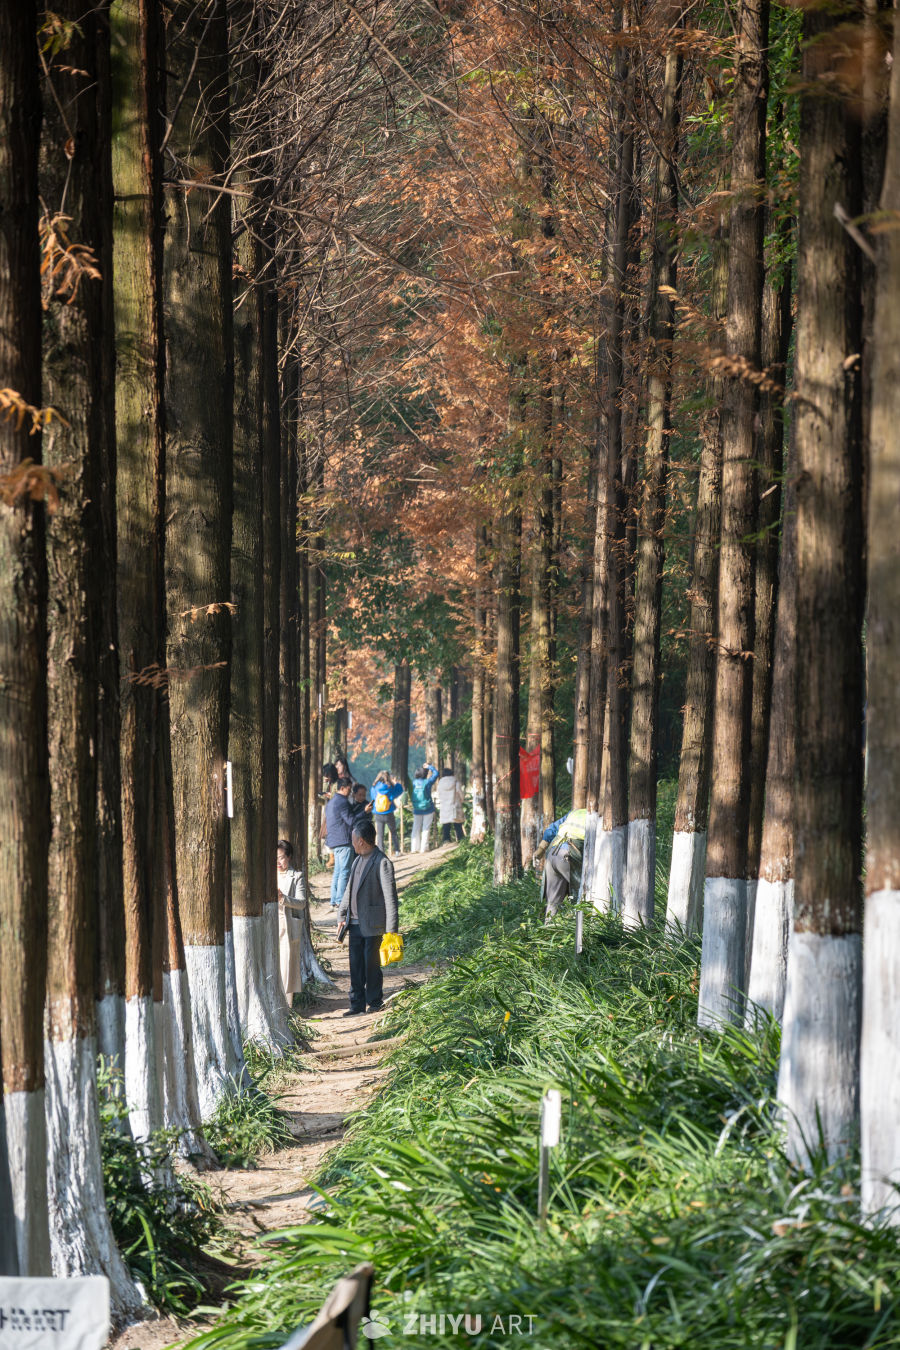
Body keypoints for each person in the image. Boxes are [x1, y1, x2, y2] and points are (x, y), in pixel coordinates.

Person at [337, 818, 400, 1016]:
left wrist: (391, 931)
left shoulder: (382, 862)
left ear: (362, 841)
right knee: (355, 966)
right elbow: (349, 889)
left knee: (371, 966)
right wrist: (342, 914)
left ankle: (374, 1002)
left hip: (374, 926)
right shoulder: (357, 860)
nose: (352, 842)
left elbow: (391, 900)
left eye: (354, 839)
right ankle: (356, 1004)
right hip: (354, 924)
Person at [532, 808, 588, 923]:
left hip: (553, 853)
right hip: (569, 855)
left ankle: (547, 932)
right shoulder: (600, 817)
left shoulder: (575, 812)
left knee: (552, 902)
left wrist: (541, 849)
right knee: (583, 896)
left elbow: (551, 829)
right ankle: (582, 934)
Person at [276, 839, 305, 1002]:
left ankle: (288, 1007)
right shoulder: (267, 875)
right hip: (270, 925)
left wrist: (284, 898)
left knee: (287, 967)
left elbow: (301, 903)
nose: (278, 862)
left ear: (289, 857)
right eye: (275, 858)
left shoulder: (297, 877)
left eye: (281, 858)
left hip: (287, 926)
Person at [325, 775, 357, 907]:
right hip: (343, 840)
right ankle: (340, 901)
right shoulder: (343, 802)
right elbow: (351, 821)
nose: (350, 792)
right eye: (349, 789)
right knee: (344, 872)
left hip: (334, 841)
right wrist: (363, 813)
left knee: (338, 872)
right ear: (343, 788)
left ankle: (334, 900)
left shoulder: (331, 801)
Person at [370, 770, 403, 853]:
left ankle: (381, 851)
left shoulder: (374, 787)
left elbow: (373, 798)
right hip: (389, 813)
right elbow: (400, 790)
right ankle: (397, 850)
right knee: (393, 832)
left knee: (380, 835)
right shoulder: (390, 788)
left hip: (378, 813)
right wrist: (396, 783)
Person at [410, 762, 439, 853]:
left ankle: (414, 848)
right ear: (425, 774)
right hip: (428, 808)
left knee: (416, 828)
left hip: (417, 808)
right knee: (426, 828)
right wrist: (429, 767)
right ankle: (423, 848)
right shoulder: (427, 782)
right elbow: (436, 773)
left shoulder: (413, 783)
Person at [436, 767, 464, 844]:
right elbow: (460, 793)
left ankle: (446, 840)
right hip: (455, 805)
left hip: (444, 806)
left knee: (446, 825)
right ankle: (461, 839)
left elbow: (439, 794)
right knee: (457, 824)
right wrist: (462, 799)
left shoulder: (440, 784)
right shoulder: (456, 782)